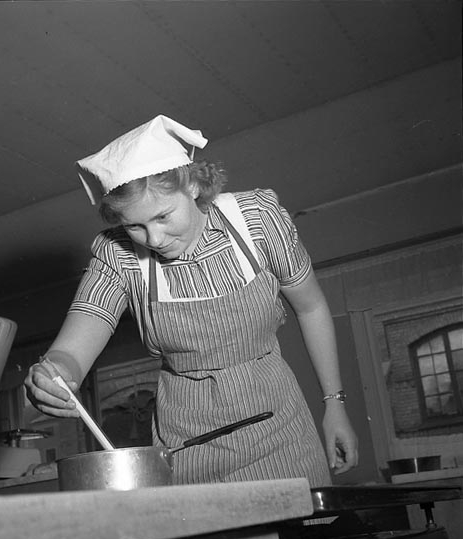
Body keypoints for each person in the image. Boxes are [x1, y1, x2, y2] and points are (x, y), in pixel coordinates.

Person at [24, 114, 358, 487]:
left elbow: (311, 307)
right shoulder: (118, 256)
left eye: (163, 216)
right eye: (134, 226)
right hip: (186, 448)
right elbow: (71, 352)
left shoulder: (258, 221)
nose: (154, 239)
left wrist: (335, 404)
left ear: (194, 185)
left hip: (282, 433)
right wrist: (54, 376)